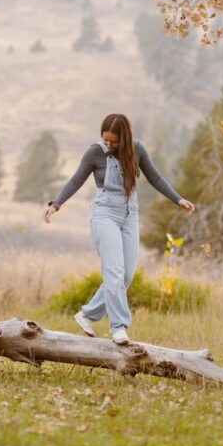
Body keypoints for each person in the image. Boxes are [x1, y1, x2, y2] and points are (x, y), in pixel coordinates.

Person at [43, 113, 194, 345]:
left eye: (114, 142)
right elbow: (76, 180)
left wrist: (177, 199)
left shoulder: (137, 150)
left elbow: (155, 177)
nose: (109, 145)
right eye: (106, 140)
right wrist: (56, 204)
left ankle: (87, 314)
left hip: (129, 213)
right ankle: (119, 327)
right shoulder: (94, 152)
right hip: (105, 214)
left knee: (125, 276)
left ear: (125, 138)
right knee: (113, 273)